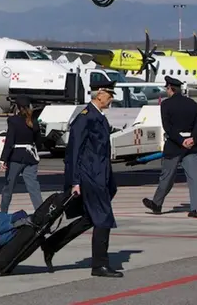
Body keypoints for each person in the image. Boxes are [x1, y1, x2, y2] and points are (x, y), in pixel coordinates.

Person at [40, 80, 123, 278]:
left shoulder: (97, 116)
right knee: (103, 219)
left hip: (100, 176)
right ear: (99, 94)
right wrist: (75, 181)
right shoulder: (85, 118)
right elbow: (73, 153)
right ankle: (99, 265)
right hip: (90, 177)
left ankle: (52, 244)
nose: (111, 99)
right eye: (109, 95)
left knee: (90, 219)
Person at [143, 76, 197, 218]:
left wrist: (181, 140)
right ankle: (196, 209)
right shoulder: (192, 103)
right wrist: (192, 139)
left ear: (171, 88)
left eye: (167, 88)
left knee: (167, 177)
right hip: (190, 145)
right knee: (194, 178)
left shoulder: (166, 104)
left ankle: (157, 204)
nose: (167, 91)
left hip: (175, 145)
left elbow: (168, 128)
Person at [0, 95, 43, 213]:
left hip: (16, 157)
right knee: (34, 188)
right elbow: (39, 142)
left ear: (17, 107)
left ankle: (3, 213)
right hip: (30, 157)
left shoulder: (13, 121)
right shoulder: (34, 121)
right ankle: (41, 214)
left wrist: (3, 159)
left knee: (9, 188)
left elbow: (10, 141)